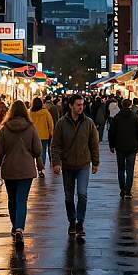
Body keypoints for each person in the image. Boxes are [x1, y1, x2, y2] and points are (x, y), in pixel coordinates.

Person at [0, 100, 44, 244]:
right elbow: (38, 150)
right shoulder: (31, 128)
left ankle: (15, 226)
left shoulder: (4, 128)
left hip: (9, 169)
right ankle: (20, 227)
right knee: (22, 200)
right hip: (26, 170)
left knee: (12, 199)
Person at [51, 94, 99, 237]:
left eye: (82, 105)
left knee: (82, 194)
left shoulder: (88, 123)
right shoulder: (61, 123)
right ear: (71, 105)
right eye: (78, 105)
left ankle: (80, 223)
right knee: (68, 197)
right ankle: (72, 221)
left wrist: (95, 162)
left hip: (83, 164)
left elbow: (93, 144)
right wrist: (56, 163)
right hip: (67, 166)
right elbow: (55, 145)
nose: (81, 107)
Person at [108, 98, 138, 199]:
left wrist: (111, 145)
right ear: (130, 105)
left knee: (121, 169)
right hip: (132, 147)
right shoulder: (135, 117)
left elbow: (111, 132)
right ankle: (128, 191)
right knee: (130, 169)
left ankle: (122, 190)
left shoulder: (117, 117)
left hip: (119, 147)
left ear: (121, 105)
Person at [29, 97, 54, 177]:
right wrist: (51, 133)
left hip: (32, 135)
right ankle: (41, 169)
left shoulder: (30, 112)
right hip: (44, 135)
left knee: (32, 152)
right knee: (42, 152)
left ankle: (31, 168)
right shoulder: (45, 112)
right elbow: (50, 123)